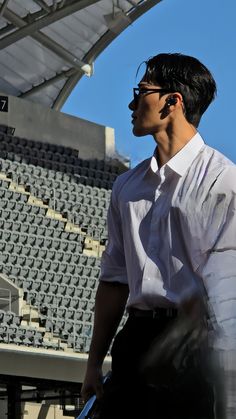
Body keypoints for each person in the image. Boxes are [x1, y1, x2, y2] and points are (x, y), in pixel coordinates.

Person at [81, 53, 236, 419]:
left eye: (141, 92)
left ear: (173, 101)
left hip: (195, 345)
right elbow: (114, 280)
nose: (132, 104)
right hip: (134, 341)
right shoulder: (126, 186)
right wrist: (93, 363)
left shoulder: (222, 182)